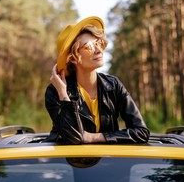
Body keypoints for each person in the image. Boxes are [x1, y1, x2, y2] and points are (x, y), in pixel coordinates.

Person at [45, 16, 149, 144]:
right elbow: (74, 138)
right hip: (66, 163)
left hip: (106, 162)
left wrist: (95, 137)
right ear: (73, 58)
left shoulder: (113, 85)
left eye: (98, 43)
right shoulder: (55, 92)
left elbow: (141, 132)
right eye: (89, 46)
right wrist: (63, 95)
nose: (99, 50)